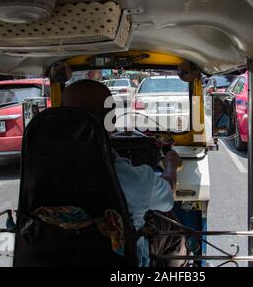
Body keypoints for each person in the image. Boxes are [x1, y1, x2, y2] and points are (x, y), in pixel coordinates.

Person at [62, 80, 186, 267]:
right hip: (116, 259)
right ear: (111, 121)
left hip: (54, 252)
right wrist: (169, 165)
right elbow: (166, 197)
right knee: (172, 226)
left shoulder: (40, 167)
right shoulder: (128, 178)